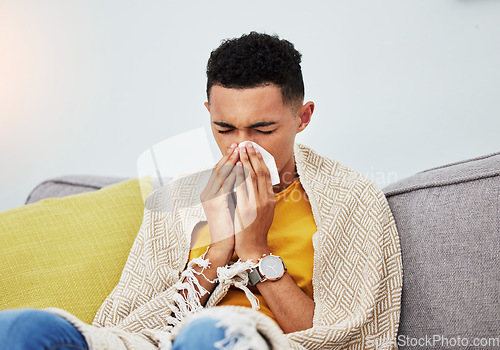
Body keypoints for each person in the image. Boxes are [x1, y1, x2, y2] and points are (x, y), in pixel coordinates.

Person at [0, 32, 402, 349]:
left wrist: (256, 252)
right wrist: (218, 250)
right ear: (209, 113)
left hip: (244, 341)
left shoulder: (349, 199)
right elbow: (130, 327)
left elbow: (346, 339)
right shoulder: (176, 203)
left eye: (263, 129)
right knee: (22, 328)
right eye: (224, 129)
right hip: (168, 343)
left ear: (302, 117)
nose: (240, 146)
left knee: (210, 335)